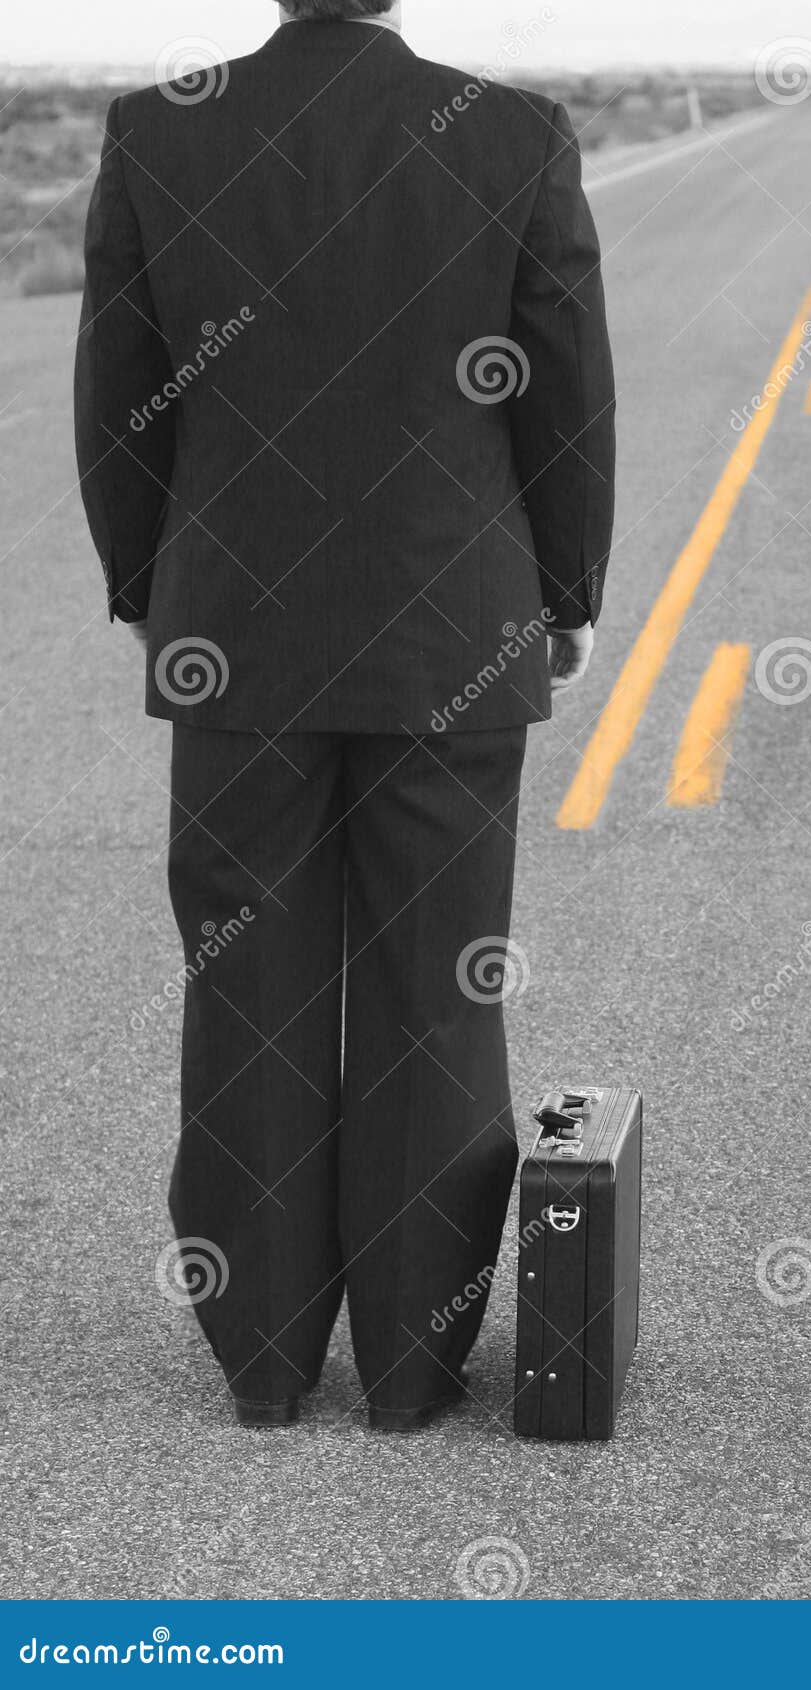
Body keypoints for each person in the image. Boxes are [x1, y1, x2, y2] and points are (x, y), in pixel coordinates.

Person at [73, 0, 615, 1429]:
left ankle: (260, 1361)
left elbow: (122, 395)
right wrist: (563, 591)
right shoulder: (512, 137)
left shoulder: (157, 133)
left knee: (246, 991)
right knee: (438, 992)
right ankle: (412, 1370)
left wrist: (147, 586)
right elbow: (563, 391)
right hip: (450, 632)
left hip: (236, 640)